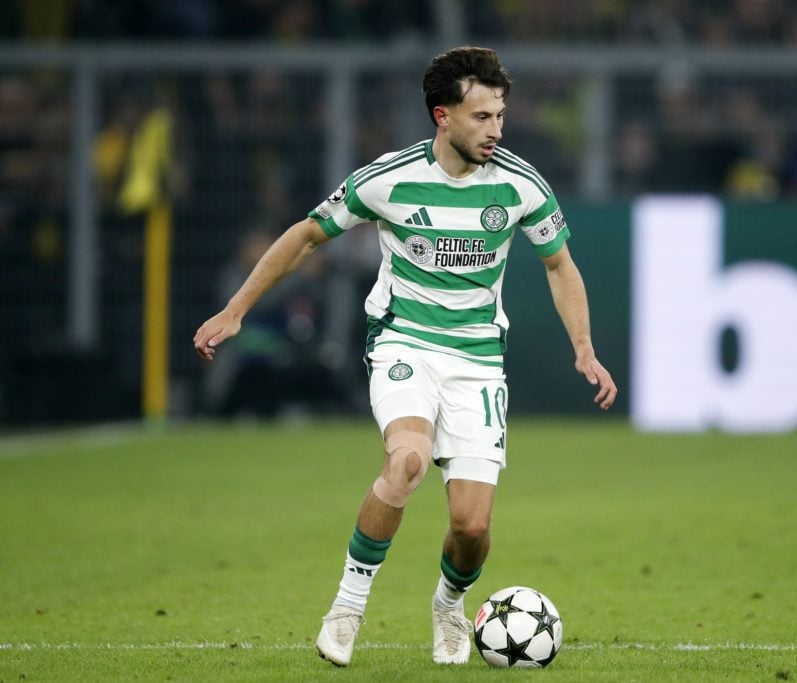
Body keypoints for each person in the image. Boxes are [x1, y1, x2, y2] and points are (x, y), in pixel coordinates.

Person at [192, 46, 617, 667]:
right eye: (481, 117)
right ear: (443, 116)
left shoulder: (521, 184)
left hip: (477, 361)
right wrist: (236, 310)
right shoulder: (387, 179)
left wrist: (584, 347)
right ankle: (346, 608)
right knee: (408, 462)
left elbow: (560, 266)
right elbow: (307, 235)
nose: (496, 130)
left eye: (500, 116)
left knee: (471, 528)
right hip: (405, 345)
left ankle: (449, 604)